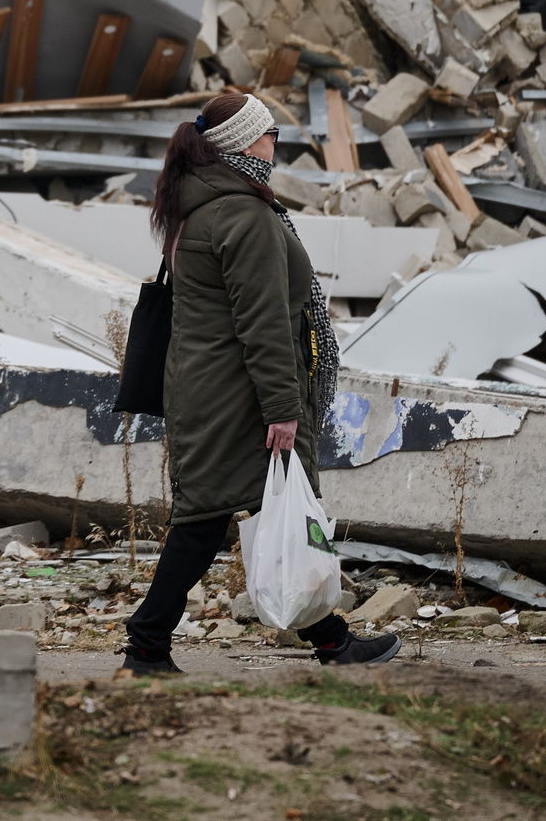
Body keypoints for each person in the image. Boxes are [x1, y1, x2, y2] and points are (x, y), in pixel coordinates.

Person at [119, 89, 398, 672]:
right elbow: (265, 323)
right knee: (208, 521)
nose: (277, 145)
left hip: (212, 389)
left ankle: (331, 640)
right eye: (273, 134)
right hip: (237, 398)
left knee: (270, 510)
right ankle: (147, 642)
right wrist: (283, 407)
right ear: (246, 141)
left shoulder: (205, 207)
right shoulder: (243, 214)